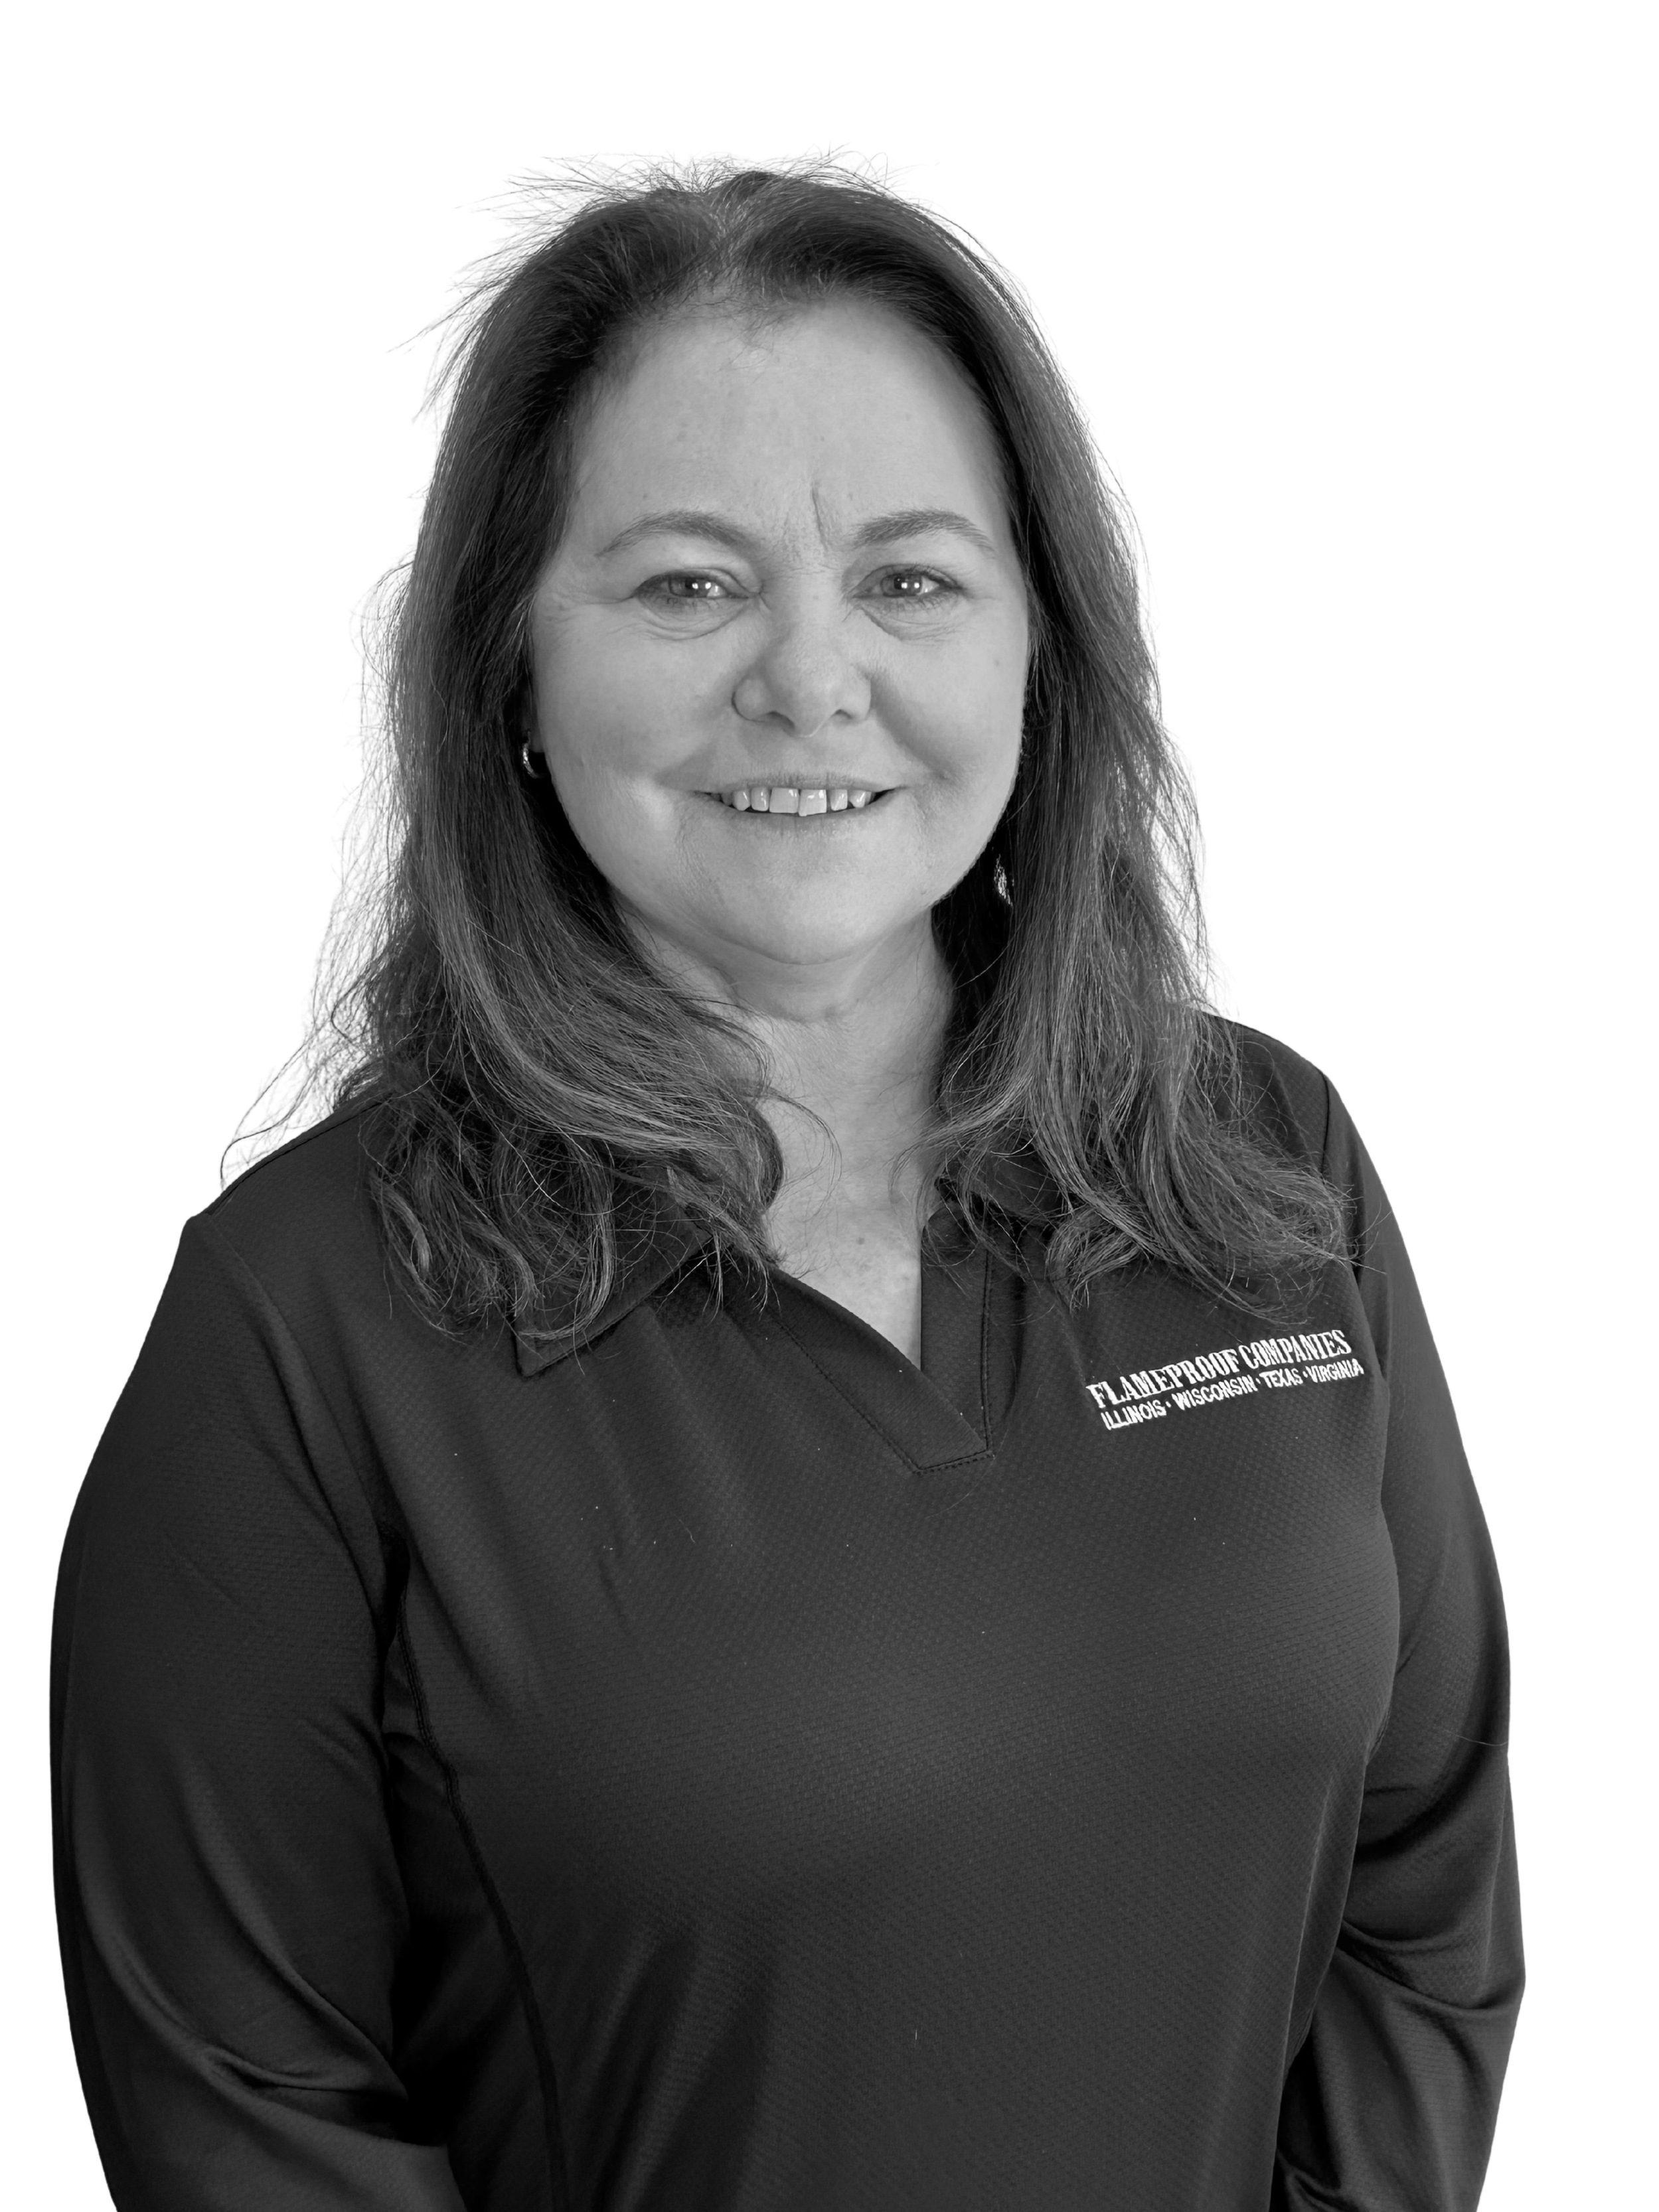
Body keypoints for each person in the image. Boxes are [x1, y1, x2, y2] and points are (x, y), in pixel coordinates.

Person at [50, 154, 1524, 2210]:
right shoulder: (301, 1320)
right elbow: (244, 2112)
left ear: (1045, 646)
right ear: (513, 676)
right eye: (685, 583)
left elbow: (1422, 1894)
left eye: (913, 577)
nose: (809, 678)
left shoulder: (1270, 1168)